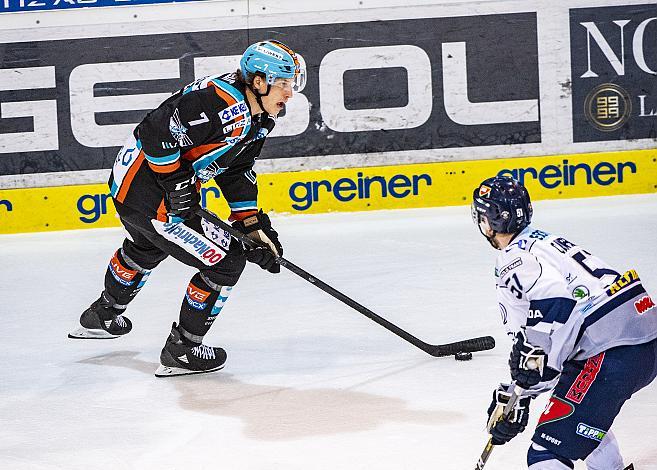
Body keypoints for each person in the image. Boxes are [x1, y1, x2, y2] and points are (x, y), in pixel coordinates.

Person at [69, 40, 307, 377]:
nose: (289, 94)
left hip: (135, 193)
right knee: (227, 262)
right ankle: (183, 350)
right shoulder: (220, 103)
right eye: (283, 84)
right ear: (258, 82)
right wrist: (176, 186)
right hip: (150, 197)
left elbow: (235, 170)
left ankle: (102, 315)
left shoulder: (259, 116)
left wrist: (251, 225)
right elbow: (154, 132)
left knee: (147, 246)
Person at [471, 175, 657, 469]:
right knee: (580, 415)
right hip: (640, 337)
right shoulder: (544, 242)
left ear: (489, 221)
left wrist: (523, 387)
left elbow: (556, 311)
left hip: (612, 349)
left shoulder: (513, 260)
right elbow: (553, 345)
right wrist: (517, 395)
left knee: (547, 453)